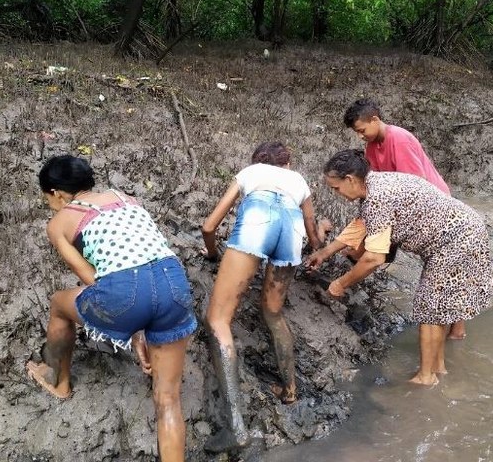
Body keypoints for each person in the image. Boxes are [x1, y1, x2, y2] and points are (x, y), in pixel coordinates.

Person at [28, 155, 196, 462]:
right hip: (174, 280)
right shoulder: (126, 197)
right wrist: (138, 329)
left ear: (56, 193)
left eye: (47, 198)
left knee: (58, 304)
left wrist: (131, 323)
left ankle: (60, 382)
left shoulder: (58, 223)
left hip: (125, 290)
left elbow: (92, 279)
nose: (49, 204)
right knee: (168, 399)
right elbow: (144, 267)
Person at [313, 149, 493, 387]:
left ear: (350, 179)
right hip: (467, 229)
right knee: (436, 305)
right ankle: (438, 367)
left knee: (429, 306)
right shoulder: (376, 182)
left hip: (455, 240)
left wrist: (340, 284)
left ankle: (426, 378)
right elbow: (361, 226)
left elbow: (373, 259)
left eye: (336, 188)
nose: (336, 194)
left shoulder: (377, 199)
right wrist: (325, 252)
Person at [308, 98, 467, 339]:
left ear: (375, 120)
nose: (360, 136)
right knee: (365, 249)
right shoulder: (372, 148)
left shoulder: (399, 140)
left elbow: (414, 184)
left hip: (429, 209)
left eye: (362, 130)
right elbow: (371, 196)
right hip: (395, 208)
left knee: (439, 272)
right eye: (356, 132)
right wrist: (328, 250)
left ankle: (456, 329)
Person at [201, 141, 322, 452]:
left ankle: (236, 429)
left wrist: (213, 254)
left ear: (258, 160)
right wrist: (323, 230)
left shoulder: (251, 172)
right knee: (273, 314)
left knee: (217, 319)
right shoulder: (298, 181)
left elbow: (209, 225)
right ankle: (290, 390)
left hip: (258, 221)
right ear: (287, 161)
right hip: (292, 230)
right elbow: (314, 238)